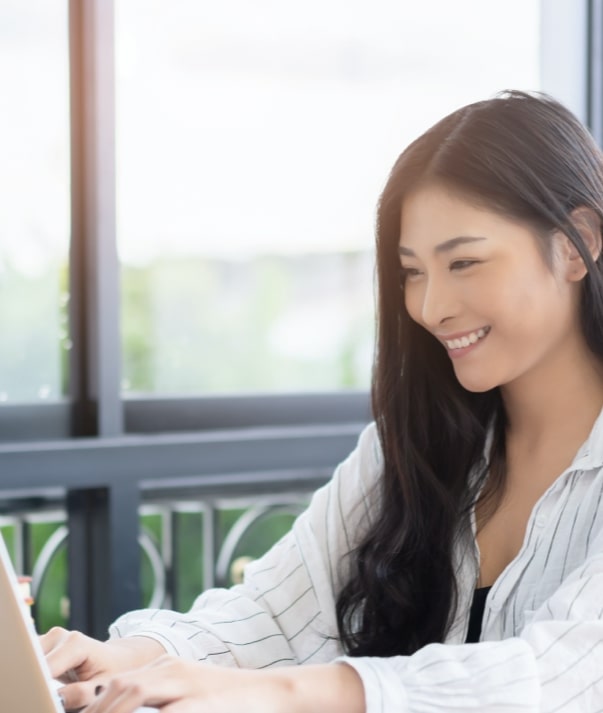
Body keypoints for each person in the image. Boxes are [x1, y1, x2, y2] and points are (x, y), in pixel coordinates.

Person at [42, 90, 603, 712]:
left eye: (464, 262)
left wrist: (276, 693)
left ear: (576, 243)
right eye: (412, 271)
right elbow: (272, 615)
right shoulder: (414, 445)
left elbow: (561, 677)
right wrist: (127, 660)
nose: (430, 307)